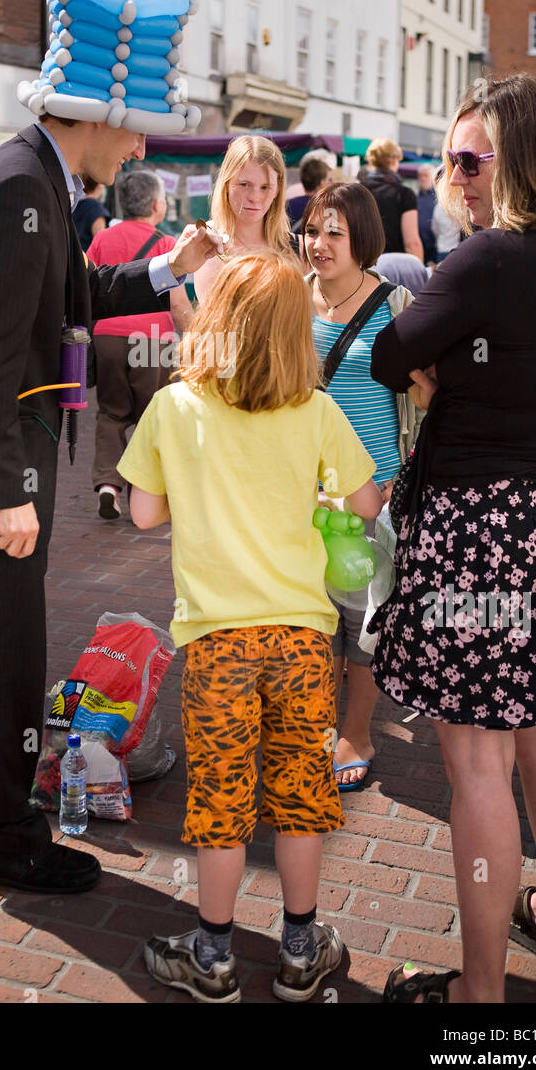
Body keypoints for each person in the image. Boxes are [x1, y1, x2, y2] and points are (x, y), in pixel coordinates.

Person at [0, 0, 217, 896]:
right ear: (101, 114)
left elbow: (63, 303)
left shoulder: (30, 179)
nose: (141, 141)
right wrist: (6, 497)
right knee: (4, 659)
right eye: (138, 123)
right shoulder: (18, 187)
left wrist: (161, 269)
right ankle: (2, 837)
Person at [367, 73, 536, 1004]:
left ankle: (480, 998)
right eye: (451, 159)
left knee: (477, 757)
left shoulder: (485, 263)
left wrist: (450, 378)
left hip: (481, 530)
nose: (455, 175)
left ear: (521, 161)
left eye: (473, 160)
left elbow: (392, 358)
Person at [118, 251, 383, 1003]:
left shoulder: (175, 406)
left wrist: (194, 492)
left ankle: (212, 956)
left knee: (222, 802)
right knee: (301, 794)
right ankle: (302, 951)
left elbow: (143, 511)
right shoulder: (317, 409)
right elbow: (365, 504)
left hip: (215, 642)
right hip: (301, 638)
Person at [302, 181, 420, 790]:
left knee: (364, 622)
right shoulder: (292, 301)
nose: (318, 244)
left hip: (371, 492)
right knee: (313, 618)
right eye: (312, 230)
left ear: (362, 241)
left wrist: (400, 478)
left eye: (333, 234)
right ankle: (316, 724)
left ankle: (358, 731)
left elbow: (423, 395)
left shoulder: (396, 306)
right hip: (303, 493)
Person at [87, 168, 193, 520]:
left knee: (112, 412)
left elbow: (88, 287)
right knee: (152, 414)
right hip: (152, 339)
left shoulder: (103, 238)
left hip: (107, 335)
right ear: (156, 206)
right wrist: (195, 340)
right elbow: (177, 303)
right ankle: (142, 492)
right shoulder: (166, 244)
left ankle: (107, 484)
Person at [193, 135, 292, 300]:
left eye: (265, 187)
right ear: (226, 184)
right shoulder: (207, 242)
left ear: (278, 190)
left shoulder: (298, 248)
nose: (254, 197)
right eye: (244, 185)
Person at [362, 138, 424, 262]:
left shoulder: (357, 191)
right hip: (394, 266)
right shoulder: (404, 194)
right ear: (394, 160)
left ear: (371, 161)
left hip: (363, 265)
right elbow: (412, 243)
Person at [286, 150, 333, 228]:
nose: (332, 183)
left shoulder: (288, 205)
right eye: (330, 179)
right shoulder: (326, 208)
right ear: (322, 182)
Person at [73, 174, 110, 251]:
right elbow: (100, 242)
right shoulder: (96, 208)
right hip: (88, 259)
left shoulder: (75, 204)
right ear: (100, 186)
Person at [414, 164, 437, 264]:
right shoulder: (414, 197)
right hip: (417, 244)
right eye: (420, 175)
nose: (422, 178)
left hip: (434, 246)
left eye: (426, 175)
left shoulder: (438, 197)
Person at [431, 196, 460, 263]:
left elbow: (434, 229)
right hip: (455, 248)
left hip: (441, 249)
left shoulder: (438, 207)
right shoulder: (456, 207)